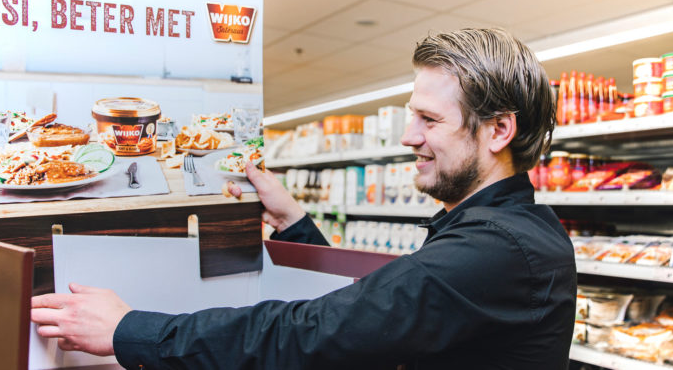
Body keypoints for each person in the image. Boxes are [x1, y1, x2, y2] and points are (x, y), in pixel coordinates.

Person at [31, 28, 577, 369]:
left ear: (499, 131)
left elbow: (319, 332)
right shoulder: (500, 234)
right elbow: (380, 310)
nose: (408, 136)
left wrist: (131, 331)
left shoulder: (498, 250)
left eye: (429, 119)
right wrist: (295, 222)